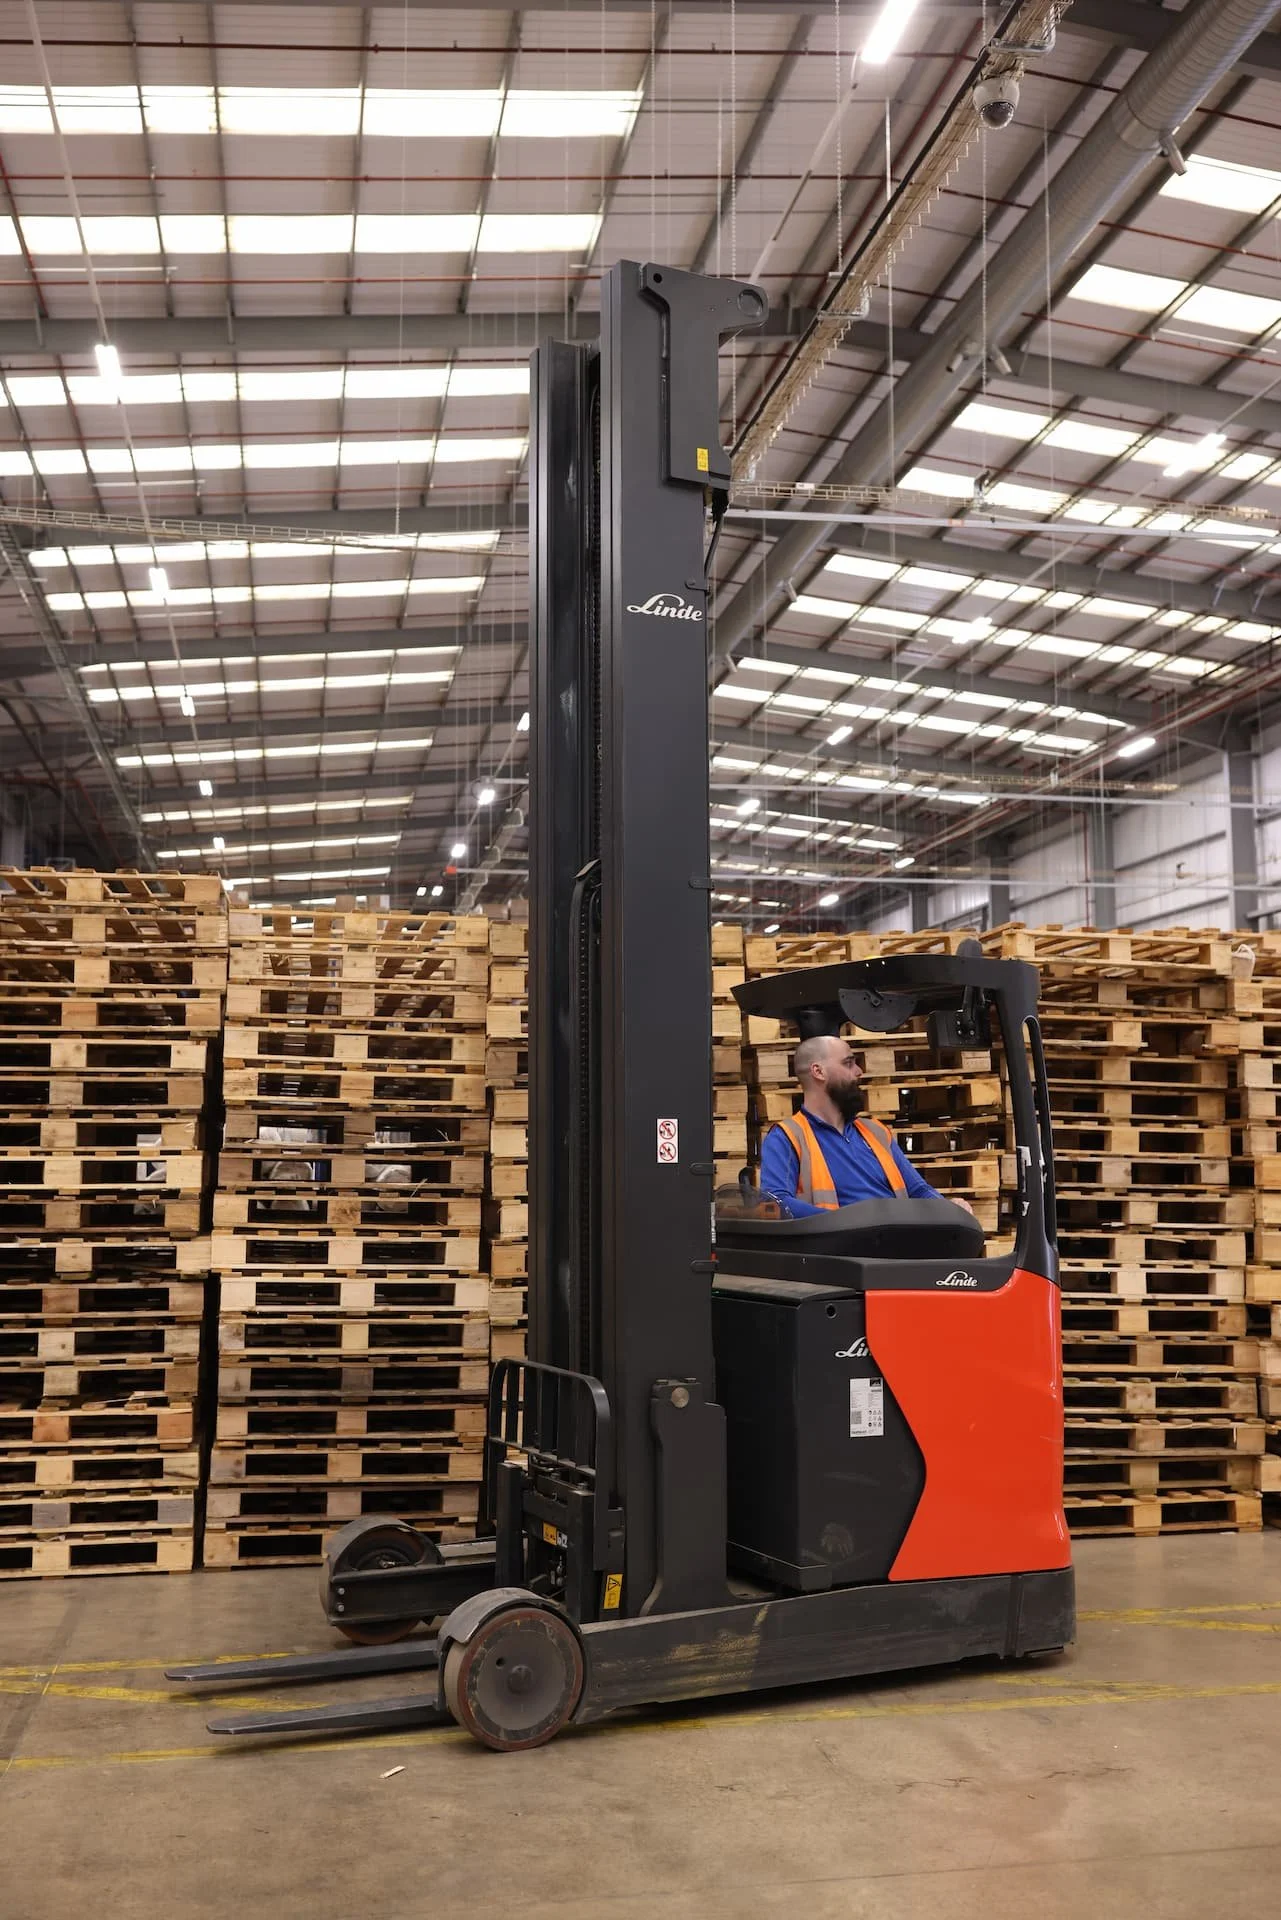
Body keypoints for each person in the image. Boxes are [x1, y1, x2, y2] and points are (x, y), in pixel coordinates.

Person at [758, 1033, 967, 1218]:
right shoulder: (787, 1137)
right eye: (848, 1063)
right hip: (840, 1252)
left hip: (898, 1244)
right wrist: (846, 1222)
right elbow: (777, 1202)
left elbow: (918, 1190)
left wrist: (948, 1209)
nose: (859, 1071)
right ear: (818, 1072)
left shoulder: (876, 1132)